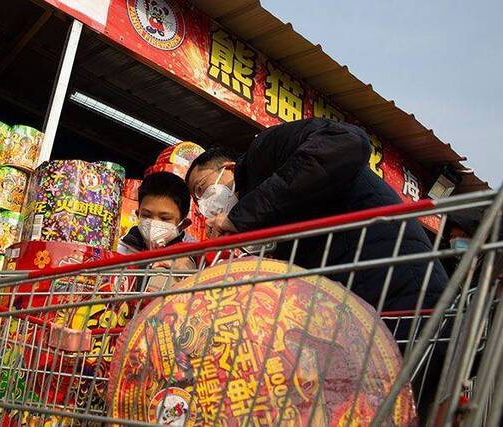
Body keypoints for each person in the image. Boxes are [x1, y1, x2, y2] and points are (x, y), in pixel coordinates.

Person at [185, 118, 448, 315]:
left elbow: (348, 142)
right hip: (362, 299)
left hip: (400, 287)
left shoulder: (263, 151)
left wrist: (240, 217)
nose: (204, 202)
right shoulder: (265, 212)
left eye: (202, 188)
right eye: (198, 200)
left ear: (229, 168)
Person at [118, 172, 196, 290]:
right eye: (146, 215)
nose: (153, 223)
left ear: (183, 224)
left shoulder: (186, 259)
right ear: (137, 215)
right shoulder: (121, 249)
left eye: (165, 218)